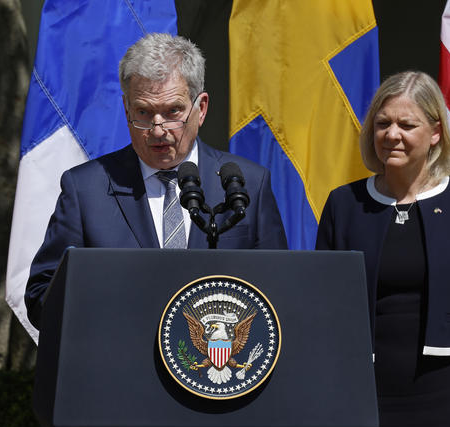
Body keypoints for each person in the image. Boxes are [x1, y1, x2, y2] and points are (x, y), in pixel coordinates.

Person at [24, 33, 288, 328]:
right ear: (126, 110)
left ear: (200, 109)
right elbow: (40, 299)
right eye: (144, 113)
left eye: (173, 111)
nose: (158, 129)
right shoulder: (86, 190)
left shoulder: (247, 183)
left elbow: (279, 293)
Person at [316, 71, 450, 427]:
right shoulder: (343, 204)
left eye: (407, 124)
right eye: (383, 123)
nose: (392, 134)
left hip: (443, 399)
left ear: (435, 132)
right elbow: (324, 310)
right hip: (362, 396)